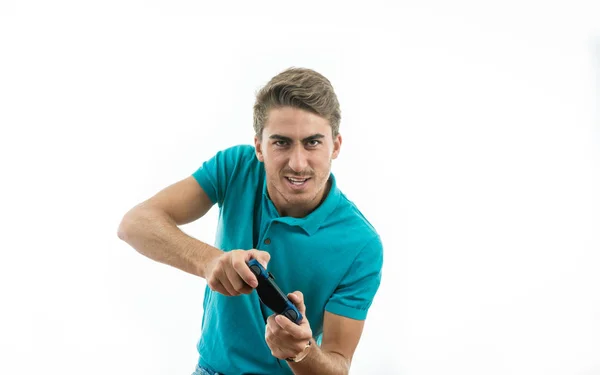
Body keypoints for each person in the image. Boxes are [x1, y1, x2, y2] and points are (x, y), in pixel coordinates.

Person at [117, 67, 384, 375]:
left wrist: (301, 352)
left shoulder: (362, 244)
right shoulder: (236, 167)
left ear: (335, 146)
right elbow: (135, 223)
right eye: (281, 143)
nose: (297, 164)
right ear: (259, 146)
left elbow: (338, 365)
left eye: (312, 142)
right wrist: (212, 262)